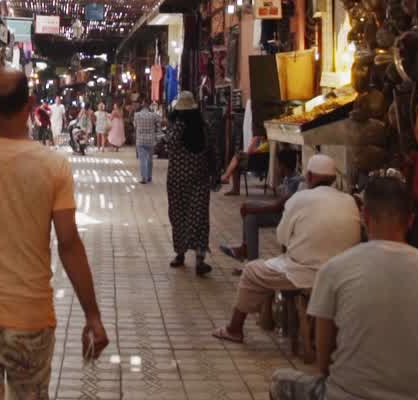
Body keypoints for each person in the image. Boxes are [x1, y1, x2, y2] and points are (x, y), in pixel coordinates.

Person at [0, 67, 109, 399]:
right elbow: (69, 245)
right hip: (30, 321)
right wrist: (92, 315)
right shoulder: (53, 167)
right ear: (31, 104)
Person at [270, 171, 418, 400]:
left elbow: (324, 362)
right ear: (411, 220)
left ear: (364, 216)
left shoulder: (334, 270)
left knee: (279, 382)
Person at [213, 155, 360, 344]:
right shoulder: (349, 200)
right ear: (333, 179)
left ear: (309, 176)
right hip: (343, 273)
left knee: (252, 271)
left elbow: (281, 237)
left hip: (306, 273)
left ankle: (234, 329)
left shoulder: (300, 197)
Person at [160, 91, 212, 275]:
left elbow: (170, 145)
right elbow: (212, 150)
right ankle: (198, 258)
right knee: (199, 217)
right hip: (198, 179)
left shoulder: (179, 126)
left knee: (179, 215)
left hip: (179, 180)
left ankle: (182, 254)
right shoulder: (202, 127)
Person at [132, 102, 161, 184]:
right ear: (149, 108)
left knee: (143, 160)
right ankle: (149, 177)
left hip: (140, 140)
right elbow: (159, 121)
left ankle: (144, 177)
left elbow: (135, 125)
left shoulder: (137, 115)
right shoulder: (153, 115)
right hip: (151, 140)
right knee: (150, 159)